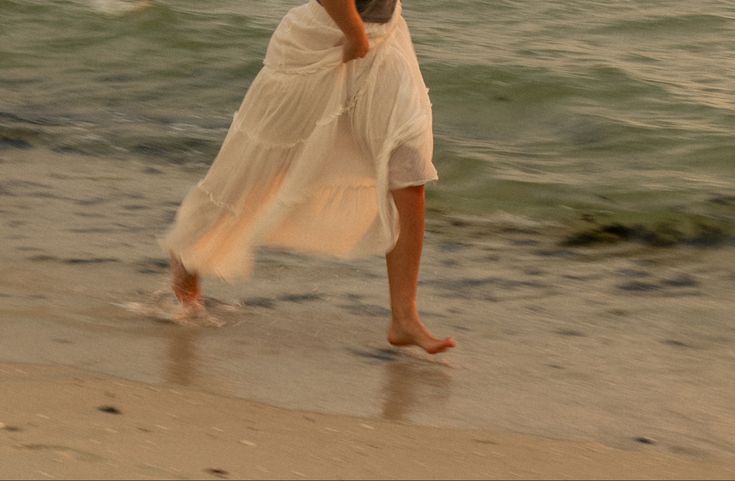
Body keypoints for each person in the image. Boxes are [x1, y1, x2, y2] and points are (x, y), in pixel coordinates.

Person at [162, 0, 456, 355]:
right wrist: (353, 32)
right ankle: (189, 250)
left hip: (384, 39)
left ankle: (404, 317)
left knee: (408, 165)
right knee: (262, 169)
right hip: (325, 42)